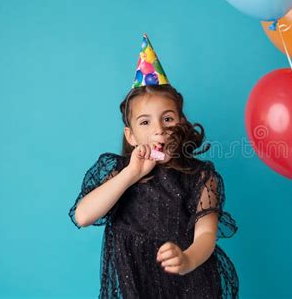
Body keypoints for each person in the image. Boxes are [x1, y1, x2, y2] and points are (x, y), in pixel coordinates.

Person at [68, 34, 239, 298]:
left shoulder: (201, 177)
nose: (159, 130)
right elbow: (83, 216)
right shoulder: (120, 172)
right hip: (138, 285)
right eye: (145, 122)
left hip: (190, 285)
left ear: (181, 123)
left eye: (167, 119)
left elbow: (206, 235)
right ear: (131, 136)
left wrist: (187, 260)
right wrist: (131, 174)